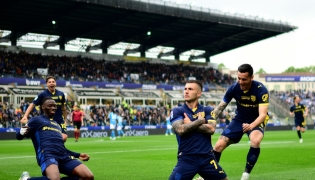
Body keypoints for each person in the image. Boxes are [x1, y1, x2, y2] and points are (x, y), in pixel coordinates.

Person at [211, 64, 269, 180]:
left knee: (255, 141)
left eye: (244, 79)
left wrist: (251, 125)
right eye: (239, 78)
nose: (241, 82)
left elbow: (263, 114)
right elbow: (221, 106)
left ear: (251, 77)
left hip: (256, 120)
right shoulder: (234, 88)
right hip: (239, 119)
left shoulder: (261, 90)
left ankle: (245, 175)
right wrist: (212, 119)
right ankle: (207, 175)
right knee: (218, 146)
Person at [17, 97, 94, 180]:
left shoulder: (57, 125)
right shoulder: (36, 120)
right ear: (43, 107)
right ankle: (26, 179)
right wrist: (21, 132)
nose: (53, 107)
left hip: (63, 156)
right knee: (54, 179)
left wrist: (78, 155)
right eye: (50, 105)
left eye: (54, 106)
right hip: (48, 155)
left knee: (88, 177)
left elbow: (61, 147)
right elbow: (19, 136)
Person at [169, 80, 228, 180]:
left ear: (199, 93)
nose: (186, 91)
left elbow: (211, 129)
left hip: (207, 159)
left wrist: (189, 122)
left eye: (190, 89)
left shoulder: (207, 110)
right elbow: (180, 130)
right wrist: (199, 121)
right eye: (185, 89)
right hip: (187, 158)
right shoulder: (177, 111)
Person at [20, 76, 68, 141]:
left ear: (55, 83)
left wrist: (65, 119)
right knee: (51, 138)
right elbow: (32, 104)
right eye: (49, 82)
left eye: (53, 82)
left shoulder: (61, 94)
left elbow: (63, 108)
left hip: (59, 120)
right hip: (47, 121)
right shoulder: (42, 94)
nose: (51, 83)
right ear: (47, 84)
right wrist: (25, 116)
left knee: (64, 137)